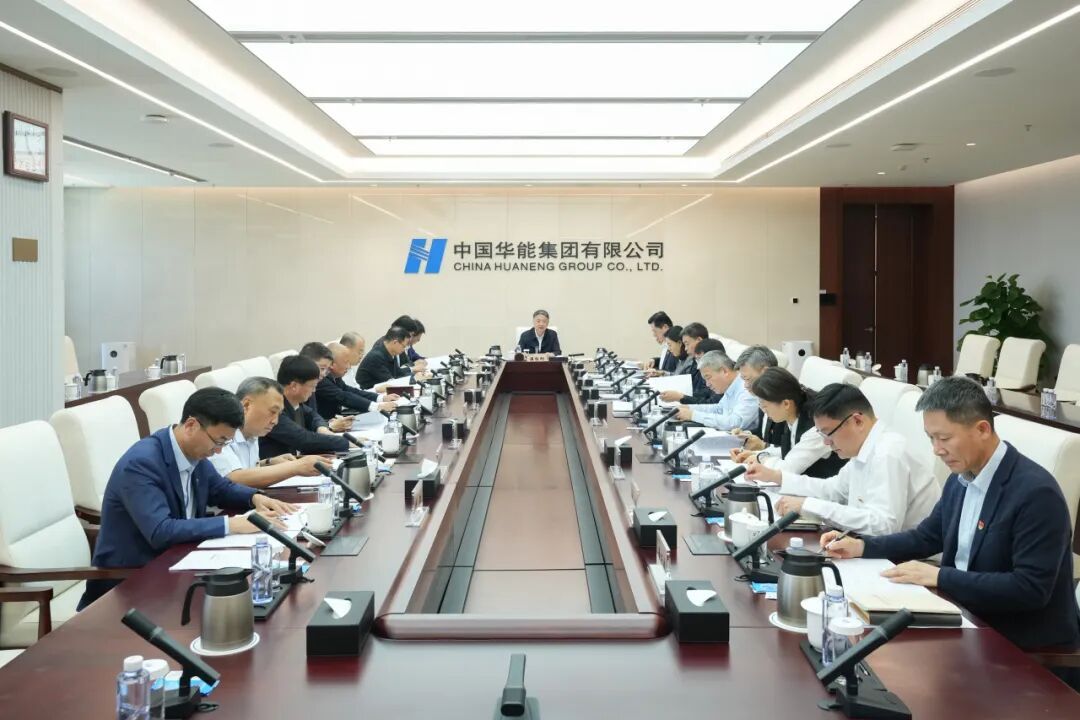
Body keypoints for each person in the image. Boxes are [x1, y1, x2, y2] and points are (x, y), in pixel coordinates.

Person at [823, 377, 1080, 670]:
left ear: (982, 429)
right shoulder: (961, 479)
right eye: (930, 438)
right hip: (968, 619)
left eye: (944, 438)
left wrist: (940, 577)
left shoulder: (1036, 493)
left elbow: (1030, 589)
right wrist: (861, 547)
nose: (936, 449)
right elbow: (926, 537)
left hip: (1023, 647)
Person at [80, 388, 297, 609]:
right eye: (219, 441)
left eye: (225, 443)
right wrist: (231, 524)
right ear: (192, 425)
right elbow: (160, 531)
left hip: (180, 565)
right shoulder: (142, 464)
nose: (218, 451)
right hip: (131, 585)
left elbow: (220, 489)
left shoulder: (193, 453)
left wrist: (254, 498)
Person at [747, 383, 939, 536]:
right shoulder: (865, 448)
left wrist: (809, 505)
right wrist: (778, 477)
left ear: (857, 421)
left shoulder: (888, 452)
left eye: (828, 433)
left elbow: (884, 525)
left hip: (911, 561)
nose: (826, 442)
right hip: (874, 548)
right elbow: (833, 490)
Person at [210, 376, 330, 489]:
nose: (275, 421)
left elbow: (245, 467)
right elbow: (234, 479)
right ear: (246, 405)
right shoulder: (221, 431)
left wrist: (269, 462)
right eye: (272, 412)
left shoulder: (253, 432)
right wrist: (296, 467)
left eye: (278, 414)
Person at [733, 367, 846, 478]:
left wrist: (761, 458)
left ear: (786, 404)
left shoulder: (817, 427)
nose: (763, 411)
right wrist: (756, 454)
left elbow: (787, 470)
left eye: (765, 406)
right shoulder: (793, 415)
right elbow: (792, 451)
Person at [261, 355, 355, 458]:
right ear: (294, 386)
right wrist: (345, 442)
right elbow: (304, 440)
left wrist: (322, 428)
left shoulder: (296, 403)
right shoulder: (274, 410)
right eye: (312, 386)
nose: (314, 390)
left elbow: (312, 415)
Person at [675, 350, 759, 431]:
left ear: (724, 371)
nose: (707, 384)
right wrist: (689, 408)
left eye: (708, 377)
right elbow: (719, 409)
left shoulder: (747, 388)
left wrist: (693, 415)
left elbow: (735, 423)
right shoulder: (732, 385)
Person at [315, 342, 398, 418]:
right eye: (346, 362)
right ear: (332, 364)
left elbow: (350, 391)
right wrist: (377, 407)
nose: (349, 366)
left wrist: (380, 398)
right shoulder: (321, 379)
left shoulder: (334, 376)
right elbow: (343, 396)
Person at [732, 345, 781, 447]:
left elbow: (791, 449)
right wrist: (746, 435)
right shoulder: (762, 397)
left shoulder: (784, 401)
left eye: (748, 379)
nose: (745, 385)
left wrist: (764, 446)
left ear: (765, 372)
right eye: (743, 380)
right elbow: (764, 433)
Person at [298, 341, 352, 432]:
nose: (324, 374)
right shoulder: (296, 392)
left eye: (326, 369)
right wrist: (329, 427)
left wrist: (328, 424)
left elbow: (312, 416)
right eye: (322, 368)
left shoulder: (311, 386)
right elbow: (300, 432)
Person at [660, 337, 726, 404]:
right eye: (697, 360)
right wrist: (681, 396)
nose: (698, 365)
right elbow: (704, 393)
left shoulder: (720, 378)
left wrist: (681, 397)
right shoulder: (701, 369)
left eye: (700, 359)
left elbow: (712, 404)